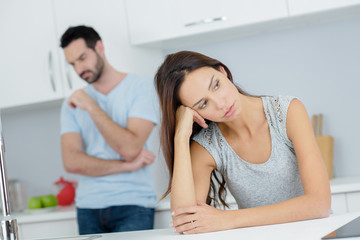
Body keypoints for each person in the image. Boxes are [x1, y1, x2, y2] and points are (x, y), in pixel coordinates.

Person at [154, 51, 331, 234]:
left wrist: (228, 218)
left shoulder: (287, 113)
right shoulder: (208, 145)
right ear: (194, 113)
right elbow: (185, 221)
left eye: (216, 85)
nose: (221, 103)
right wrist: (181, 136)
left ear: (223, 72)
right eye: (203, 104)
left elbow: (319, 204)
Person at [59, 25, 158, 234]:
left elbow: (130, 149)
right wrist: (125, 166)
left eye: (83, 58)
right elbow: (72, 162)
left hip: (134, 205)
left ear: (100, 48)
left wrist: (91, 105)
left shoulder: (142, 87)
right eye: (72, 64)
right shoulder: (71, 104)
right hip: (87, 207)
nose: (79, 70)